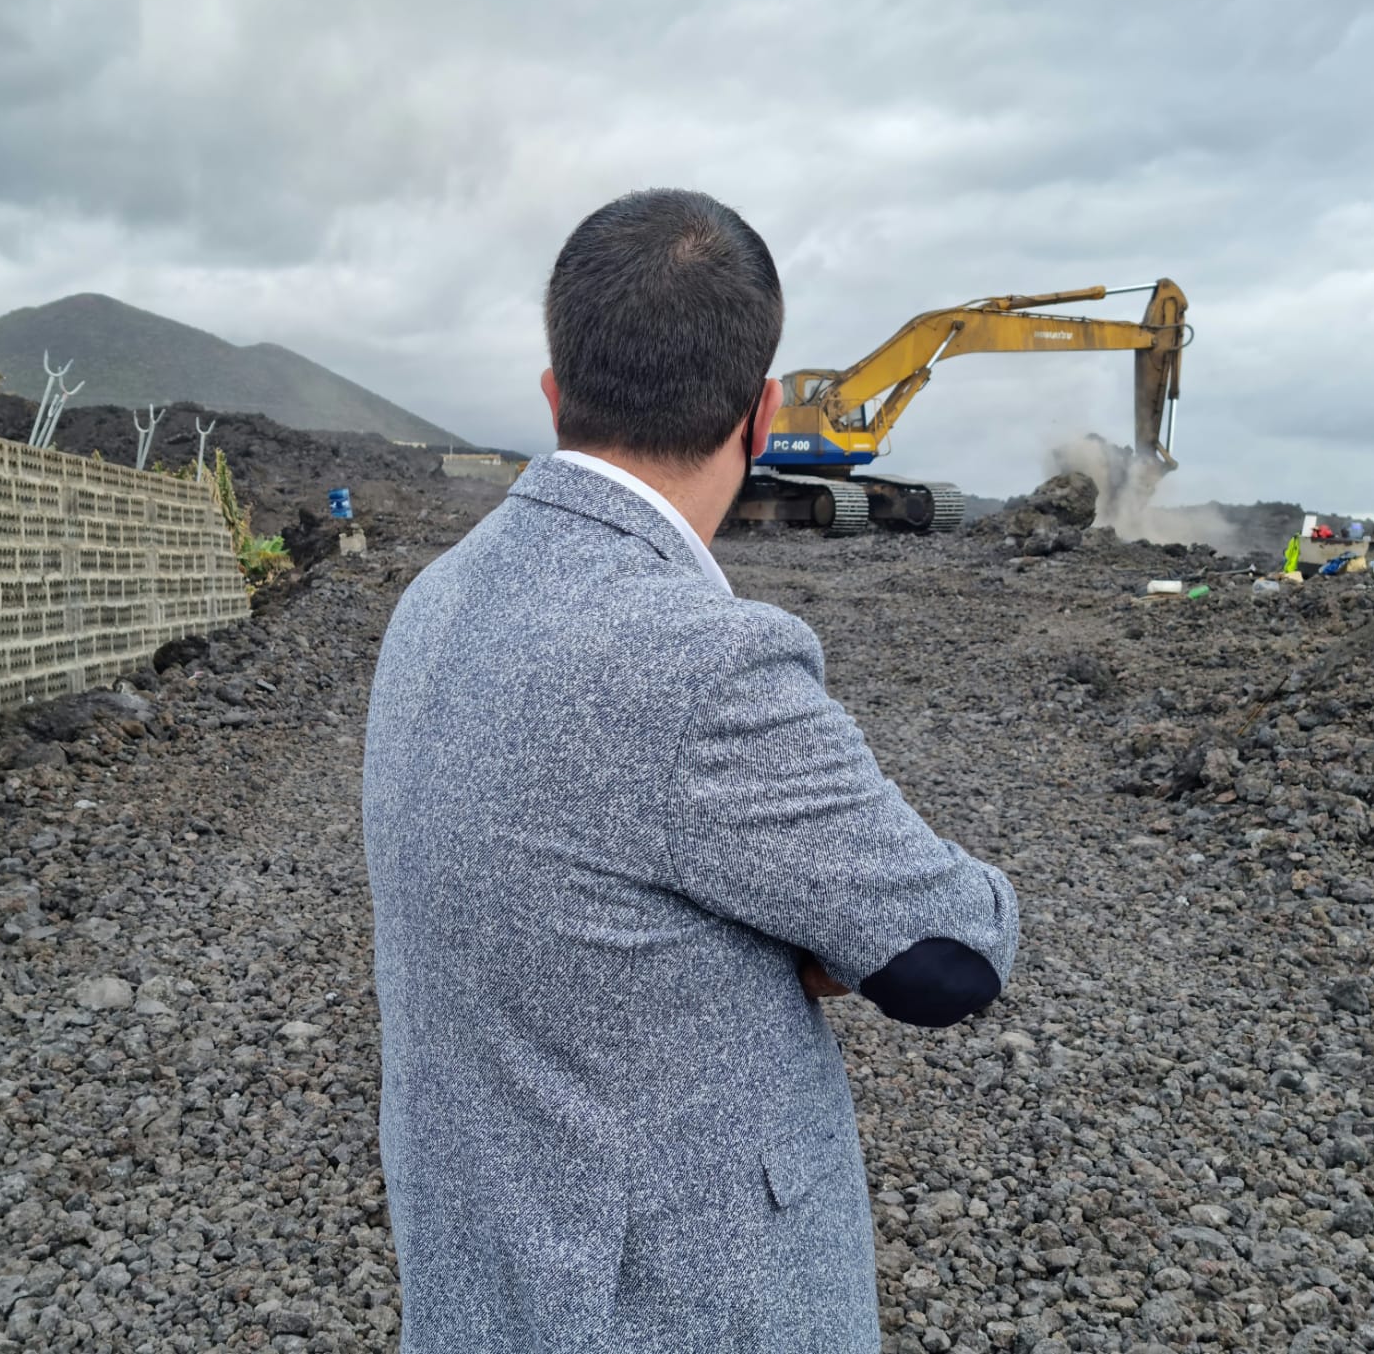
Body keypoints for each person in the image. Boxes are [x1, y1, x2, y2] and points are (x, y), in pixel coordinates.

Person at [361, 188, 1019, 1352]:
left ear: (556, 394)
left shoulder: (432, 600)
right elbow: (950, 959)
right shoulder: (701, 658)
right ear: (761, 416)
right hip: (662, 1306)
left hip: (478, 1284)